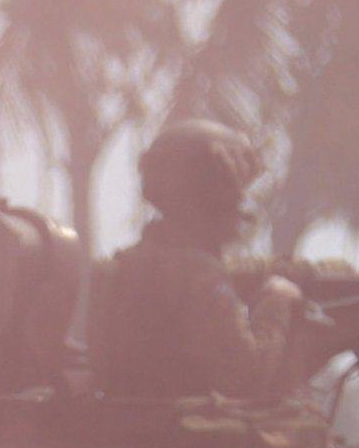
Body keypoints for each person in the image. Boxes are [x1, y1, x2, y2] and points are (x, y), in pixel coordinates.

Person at [85, 120, 336, 401]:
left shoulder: (127, 264)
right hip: (185, 433)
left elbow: (224, 270)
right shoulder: (201, 275)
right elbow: (246, 377)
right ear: (214, 196)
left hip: (129, 423)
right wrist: (276, 299)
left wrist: (290, 271)